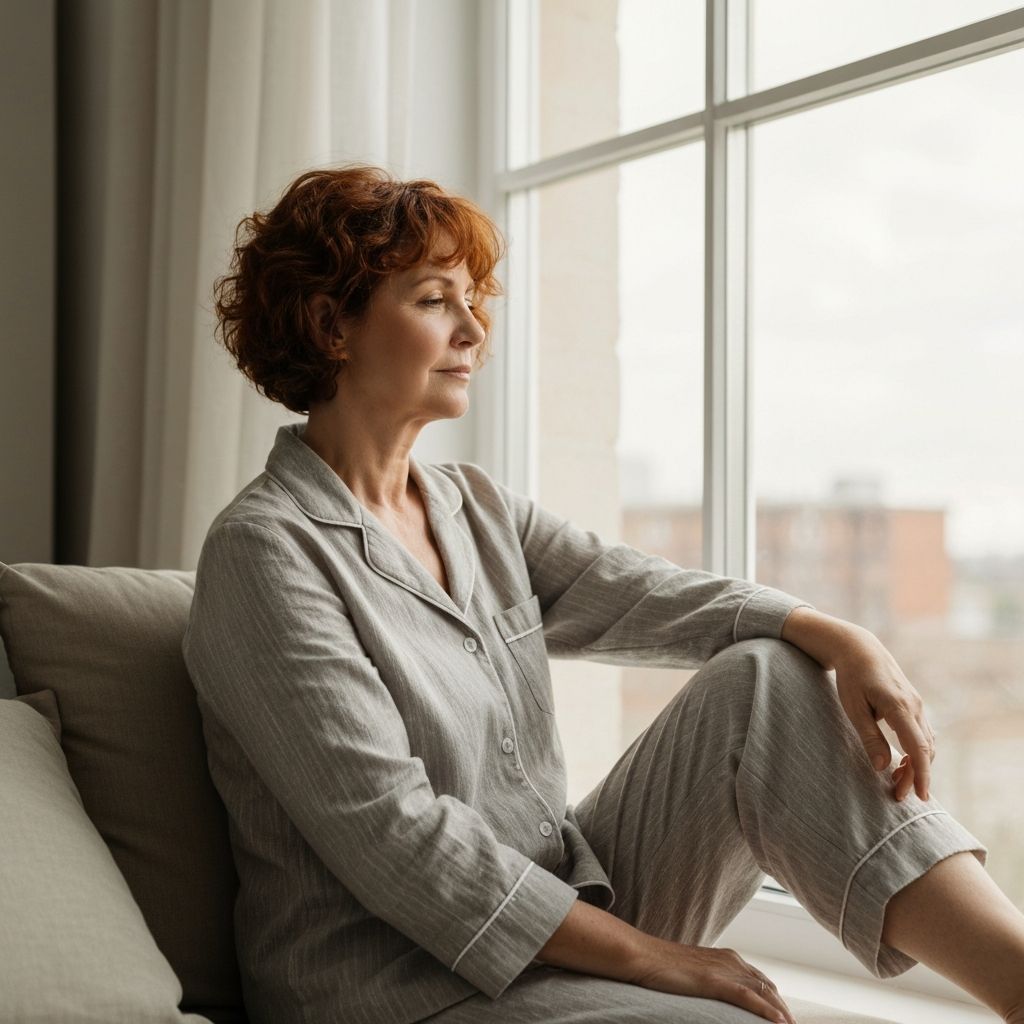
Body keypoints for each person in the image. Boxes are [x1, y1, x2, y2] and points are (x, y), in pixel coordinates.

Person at [181, 163, 1024, 1024]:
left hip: (557, 914)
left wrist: (841, 637)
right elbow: (396, 838)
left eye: (474, 300)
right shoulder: (265, 553)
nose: (474, 329)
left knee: (765, 677)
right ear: (332, 325)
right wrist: (661, 960)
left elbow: (642, 594)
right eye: (435, 300)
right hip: (396, 987)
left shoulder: (474, 508)